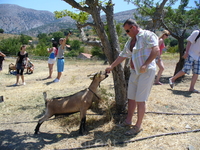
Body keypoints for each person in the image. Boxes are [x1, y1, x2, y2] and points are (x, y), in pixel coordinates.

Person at [105, 19, 159, 135]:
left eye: (127, 31)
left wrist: (145, 64)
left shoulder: (147, 35)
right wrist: (112, 66)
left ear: (133, 27)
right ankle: (128, 121)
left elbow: (156, 50)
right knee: (131, 98)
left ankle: (137, 126)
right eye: (125, 32)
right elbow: (123, 55)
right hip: (134, 72)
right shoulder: (130, 41)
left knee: (140, 100)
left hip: (146, 71)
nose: (127, 33)